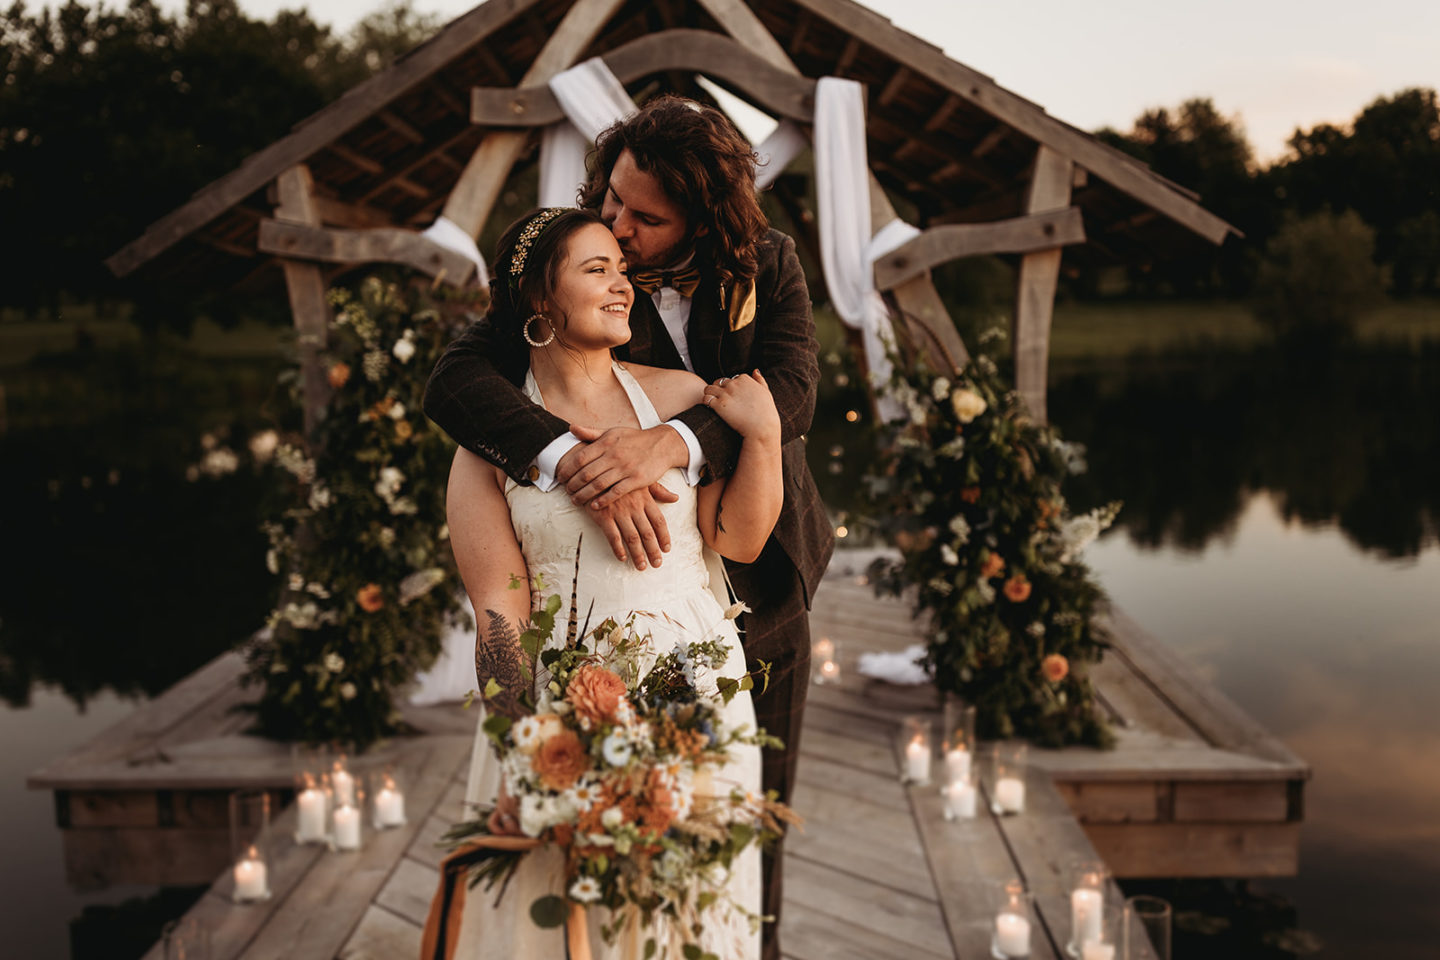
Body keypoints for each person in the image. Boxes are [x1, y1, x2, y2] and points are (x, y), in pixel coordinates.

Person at [424, 96, 833, 960]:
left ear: (703, 218)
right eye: (611, 201)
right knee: (577, 890)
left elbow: (787, 393)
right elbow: (453, 380)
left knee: (742, 834)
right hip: (579, 667)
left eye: (644, 219)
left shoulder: (768, 264)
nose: (618, 229)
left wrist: (667, 447)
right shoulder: (576, 264)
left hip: (748, 592)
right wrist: (566, 461)